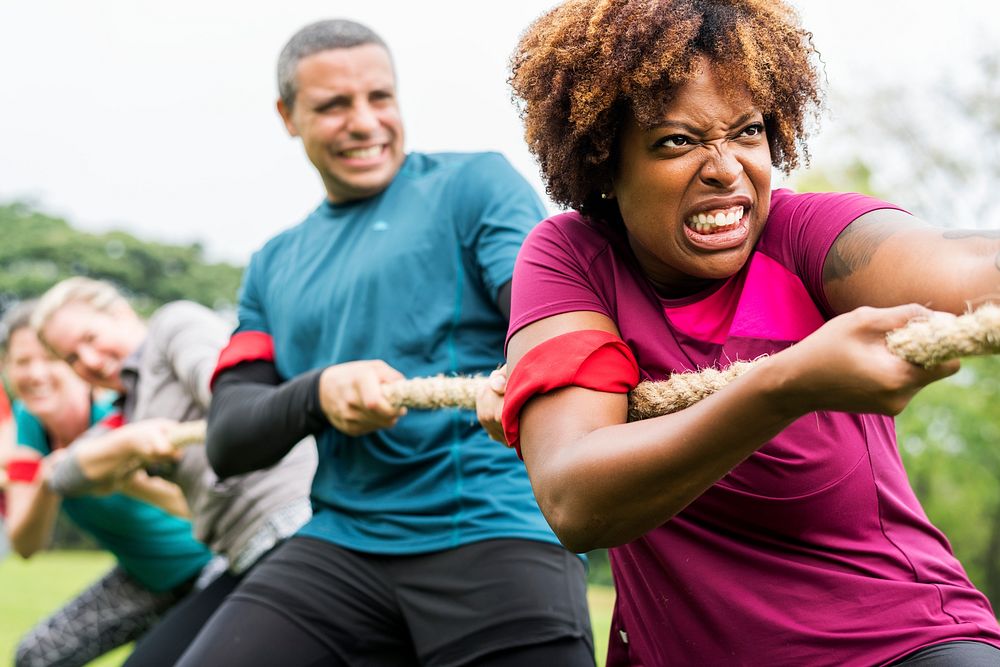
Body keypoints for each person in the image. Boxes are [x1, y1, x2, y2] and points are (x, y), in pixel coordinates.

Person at [501, 1, 1000, 665]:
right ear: (603, 159)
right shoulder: (574, 261)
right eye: (676, 140)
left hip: (902, 645)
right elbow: (574, 496)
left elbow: (966, 266)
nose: (726, 168)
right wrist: (785, 385)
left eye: (747, 131)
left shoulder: (805, 239)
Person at [176, 18, 595, 667]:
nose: (365, 121)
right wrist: (318, 392)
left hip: (491, 528)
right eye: (333, 105)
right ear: (288, 116)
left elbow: (546, 318)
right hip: (340, 546)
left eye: (380, 97)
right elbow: (229, 440)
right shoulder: (271, 265)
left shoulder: (473, 185)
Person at [31, 278, 317, 667]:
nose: (91, 361)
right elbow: (65, 475)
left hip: (295, 524)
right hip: (246, 555)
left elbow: (229, 395)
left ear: (121, 313)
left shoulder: (172, 325)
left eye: (91, 338)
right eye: (72, 358)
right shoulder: (129, 414)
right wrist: (131, 443)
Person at [1, 301, 215, 667]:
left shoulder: (120, 416)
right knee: (35, 657)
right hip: (144, 578)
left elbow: (193, 502)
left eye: (50, 360)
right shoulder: (29, 424)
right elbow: (25, 544)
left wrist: (118, 476)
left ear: (72, 367)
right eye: (22, 362)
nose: (35, 374)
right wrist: (49, 482)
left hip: (208, 568)